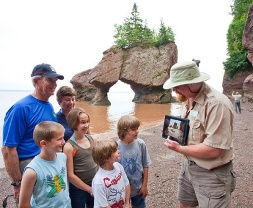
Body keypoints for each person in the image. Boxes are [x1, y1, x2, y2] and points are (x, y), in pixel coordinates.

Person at [163, 60, 236, 208]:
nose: (174, 90)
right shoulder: (189, 98)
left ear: (191, 83)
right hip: (188, 167)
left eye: (176, 86)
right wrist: (175, 133)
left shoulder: (216, 104)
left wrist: (178, 148)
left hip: (212, 174)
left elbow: (215, 150)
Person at [1, 63, 64, 203]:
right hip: (29, 164)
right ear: (36, 81)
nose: (54, 84)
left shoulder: (48, 106)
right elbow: (8, 149)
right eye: (50, 80)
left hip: (49, 163)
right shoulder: (20, 108)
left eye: (55, 81)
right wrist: (17, 183)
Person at [18, 121, 71, 208]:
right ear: (43, 143)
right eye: (59, 139)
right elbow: (23, 205)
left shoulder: (63, 157)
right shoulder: (32, 172)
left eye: (63, 138)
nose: (64, 142)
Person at [63, 107, 97, 208]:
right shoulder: (69, 146)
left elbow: (96, 161)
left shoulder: (90, 139)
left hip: (94, 183)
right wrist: (88, 189)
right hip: (78, 189)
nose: (86, 125)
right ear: (74, 123)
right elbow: (70, 175)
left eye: (87, 121)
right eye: (82, 122)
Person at [116, 115, 151, 208]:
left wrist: (144, 186)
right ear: (123, 131)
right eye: (133, 129)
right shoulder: (116, 146)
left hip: (138, 188)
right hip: (122, 190)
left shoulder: (141, 144)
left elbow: (146, 165)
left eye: (137, 128)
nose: (137, 131)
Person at [92, 138, 131, 208]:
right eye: (115, 151)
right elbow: (103, 206)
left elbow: (126, 184)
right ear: (106, 157)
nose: (118, 151)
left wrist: (127, 203)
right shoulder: (98, 181)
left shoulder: (119, 166)